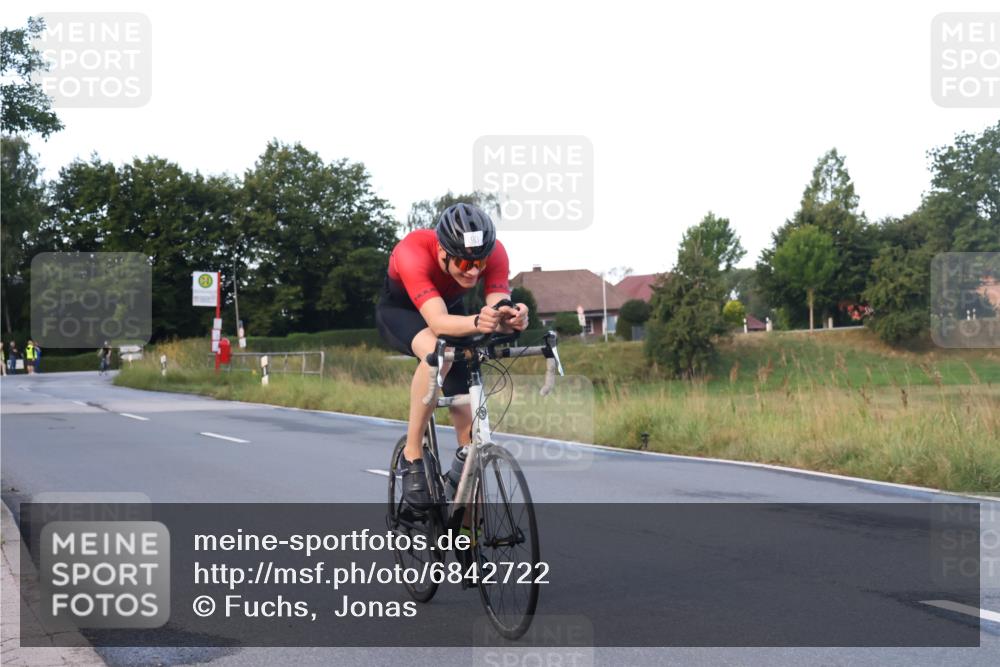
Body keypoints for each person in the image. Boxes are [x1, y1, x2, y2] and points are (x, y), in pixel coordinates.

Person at [375, 203, 529, 508]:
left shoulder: (494, 251)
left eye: (480, 262)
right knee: (439, 354)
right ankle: (412, 454)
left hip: (451, 310)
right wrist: (476, 322)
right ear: (443, 252)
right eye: (463, 262)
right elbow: (437, 322)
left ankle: (467, 536)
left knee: (472, 447)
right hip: (403, 313)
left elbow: (498, 299)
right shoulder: (413, 251)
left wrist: (512, 315)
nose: (473, 270)